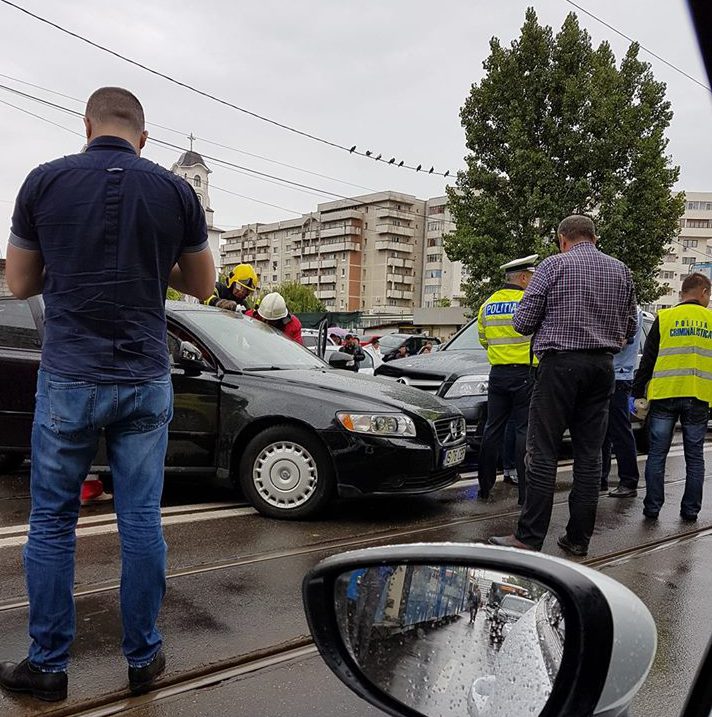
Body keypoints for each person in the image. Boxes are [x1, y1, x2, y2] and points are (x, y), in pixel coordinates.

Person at [1, 87, 215, 701]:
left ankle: (48, 667)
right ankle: (144, 658)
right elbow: (201, 285)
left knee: (51, 524)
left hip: (69, 373)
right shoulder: (175, 191)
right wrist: (156, 261)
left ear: (86, 125)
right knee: (141, 520)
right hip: (144, 377)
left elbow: (19, 283)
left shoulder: (43, 182)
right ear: (143, 137)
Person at [489, 215, 636, 557]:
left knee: (542, 453)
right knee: (589, 456)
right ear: (594, 238)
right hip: (602, 367)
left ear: (562, 239)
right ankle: (578, 539)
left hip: (558, 367)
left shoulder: (553, 266)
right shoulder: (621, 271)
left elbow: (523, 322)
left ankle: (529, 537)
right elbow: (628, 330)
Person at [632, 273, 712, 522]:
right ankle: (690, 511)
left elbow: (648, 359)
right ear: (704, 293)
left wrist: (636, 392)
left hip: (665, 395)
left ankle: (652, 508)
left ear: (682, 292)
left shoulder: (664, 318)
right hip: (698, 396)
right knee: (695, 456)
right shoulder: (711, 320)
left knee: (657, 454)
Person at [476, 255, 538, 505]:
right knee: (524, 431)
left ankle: (484, 487)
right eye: (531, 277)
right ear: (523, 277)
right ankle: (525, 493)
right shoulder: (529, 301)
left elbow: (483, 340)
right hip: (525, 374)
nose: (533, 281)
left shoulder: (487, 305)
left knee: (492, 429)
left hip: (498, 374)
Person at [602, 308, 644, 497]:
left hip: (618, 375)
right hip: (606, 374)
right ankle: (600, 478)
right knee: (599, 431)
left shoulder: (631, 310)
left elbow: (622, 341)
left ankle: (628, 480)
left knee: (619, 430)